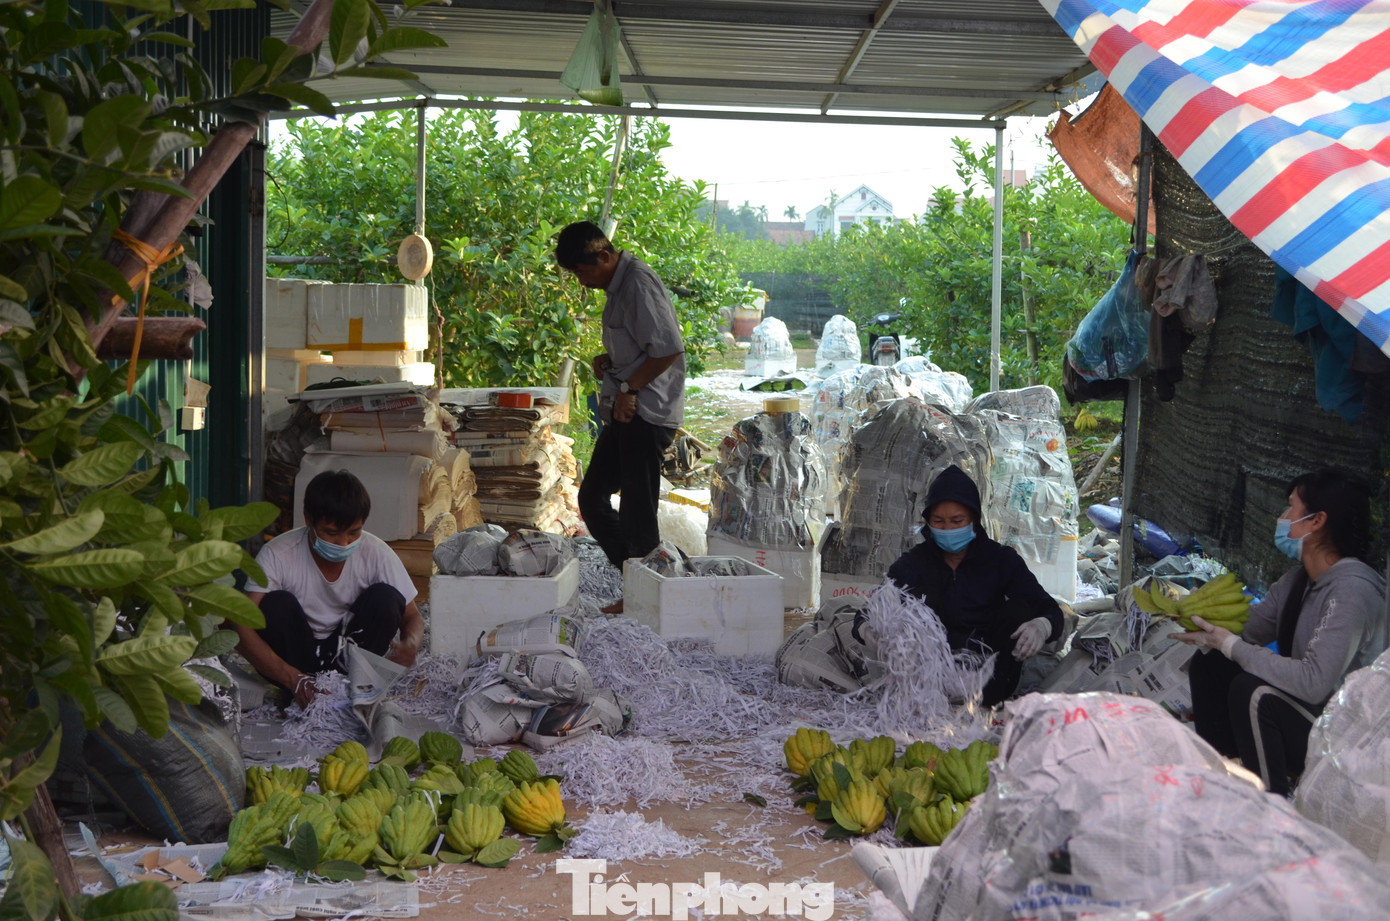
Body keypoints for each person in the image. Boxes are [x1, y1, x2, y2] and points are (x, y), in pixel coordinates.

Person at [1176, 468, 1385, 796]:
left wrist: (1230, 645)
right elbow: (1250, 631)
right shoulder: (1298, 580)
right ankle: (1223, 775)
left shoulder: (1353, 591)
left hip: (1344, 739)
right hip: (1309, 717)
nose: (1282, 517)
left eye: (1291, 508)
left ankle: (1270, 803)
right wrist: (1196, 619)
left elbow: (1313, 683)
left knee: (1256, 694)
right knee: (1213, 665)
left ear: (1316, 522)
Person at [556, 220, 685, 612]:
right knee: (592, 497)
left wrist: (630, 389)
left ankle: (648, 599)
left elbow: (668, 350)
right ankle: (639, 582)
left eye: (582, 271)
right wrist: (614, 360)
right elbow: (643, 345)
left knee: (637, 511)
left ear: (604, 256)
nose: (581, 280)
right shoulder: (617, 287)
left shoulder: (637, 284)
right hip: (626, 412)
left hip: (646, 413)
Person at [235, 469, 424, 708]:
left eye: (354, 532)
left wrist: (411, 644)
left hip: (350, 656)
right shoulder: (278, 553)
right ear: (308, 520)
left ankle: (353, 690)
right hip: (296, 658)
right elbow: (240, 626)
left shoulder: (376, 553)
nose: (343, 543)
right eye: (331, 533)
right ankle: (297, 689)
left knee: (386, 598)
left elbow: (413, 616)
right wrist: (291, 677)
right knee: (274, 605)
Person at [885, 464, 1064, 707]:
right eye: (939, 521)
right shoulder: (916, 562)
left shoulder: (1001, 560)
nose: (948, 529)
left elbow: (1049, 609)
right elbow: (872, 608)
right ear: (928, 523)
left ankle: (987, 697)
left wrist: (1042, 626)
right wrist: (874, 631)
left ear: (974, 519)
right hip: (929, 674)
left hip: (989, 671)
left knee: (1019, 610)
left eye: (957, 520)